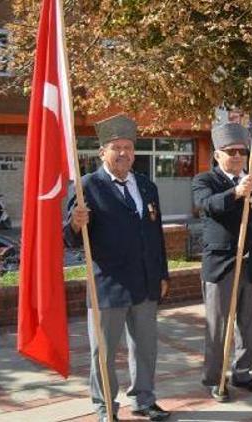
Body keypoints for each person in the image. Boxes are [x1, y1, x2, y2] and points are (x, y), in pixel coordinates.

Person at [63, 115, 171, 422]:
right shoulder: (87, 187)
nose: (123, 153)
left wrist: (162, 273)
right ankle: (105, 407)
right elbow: (69, 238)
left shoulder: (147, 186)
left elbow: (155, 234)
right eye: (116, 148)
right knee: (104, 354)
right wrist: (74, 223)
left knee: (145, 349)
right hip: (107, 286)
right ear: (102, 152)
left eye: (128, 147)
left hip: (146, 282)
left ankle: (144, 400)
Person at [192, 123, 252, 402]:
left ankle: (243, 372)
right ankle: (214, 378)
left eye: (242, 151)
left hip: (250, 266)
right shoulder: (205, 180)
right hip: (221, 267)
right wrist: (236, 192)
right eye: (231, 152)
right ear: (218, 155)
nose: (238, 156)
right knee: (218, 326)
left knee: (249, 326)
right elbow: (208, 205)